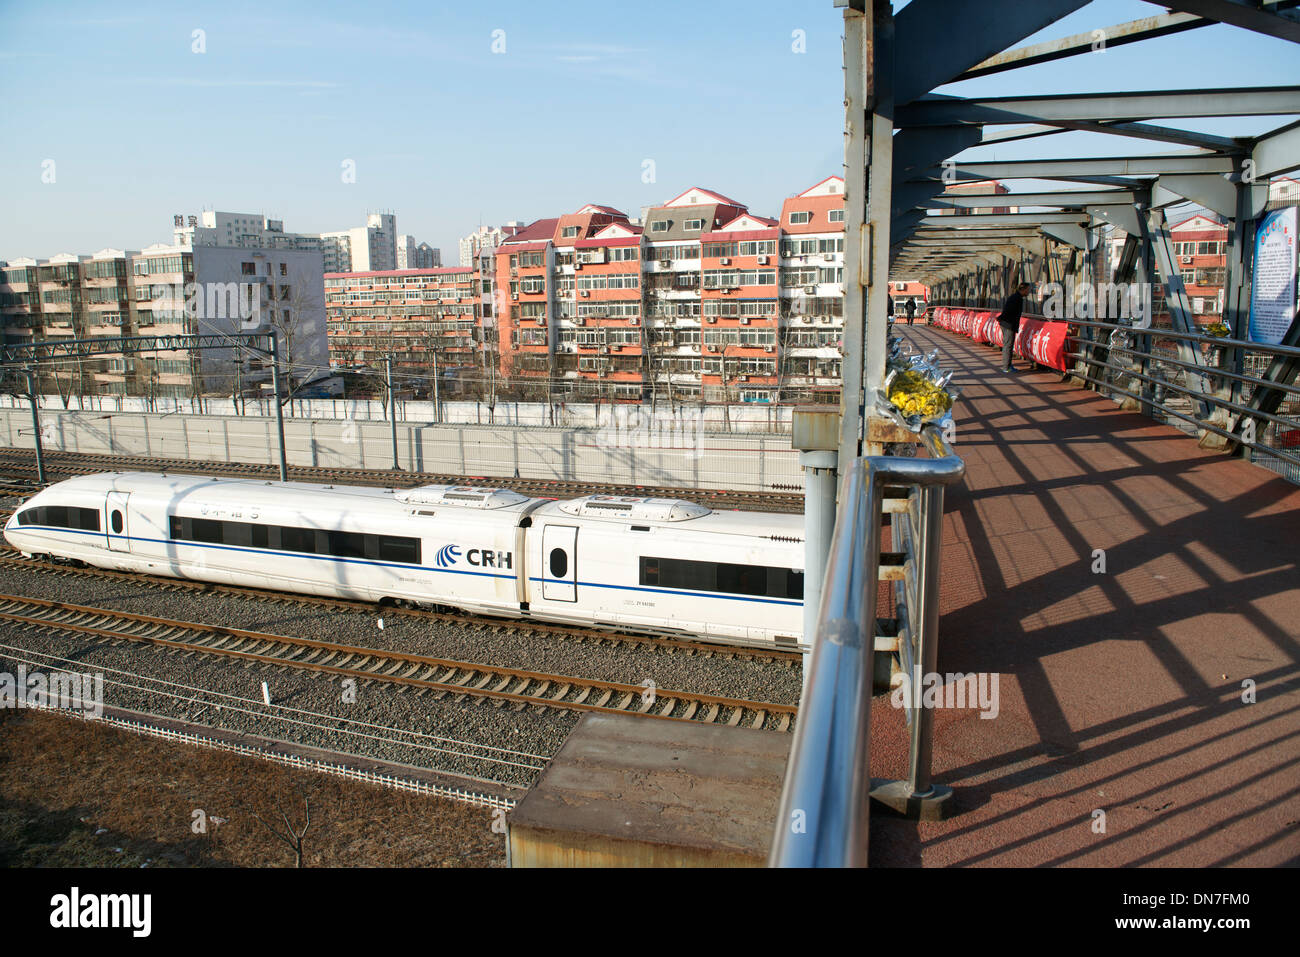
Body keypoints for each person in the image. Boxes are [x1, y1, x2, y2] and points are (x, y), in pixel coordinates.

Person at [997, 282, 1030, 373]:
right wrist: (1004, 319)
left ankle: (1007, 364)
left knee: (1007, 345)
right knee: (1008, 345)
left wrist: (1001, 318)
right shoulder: (1017, 299)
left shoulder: (1014, 297)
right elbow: (1009, 311)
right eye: (1027, 290)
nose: (1028, 292)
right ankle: (1006, 367)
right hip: (1009, 324)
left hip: (1006, 323)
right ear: (1022, 289)